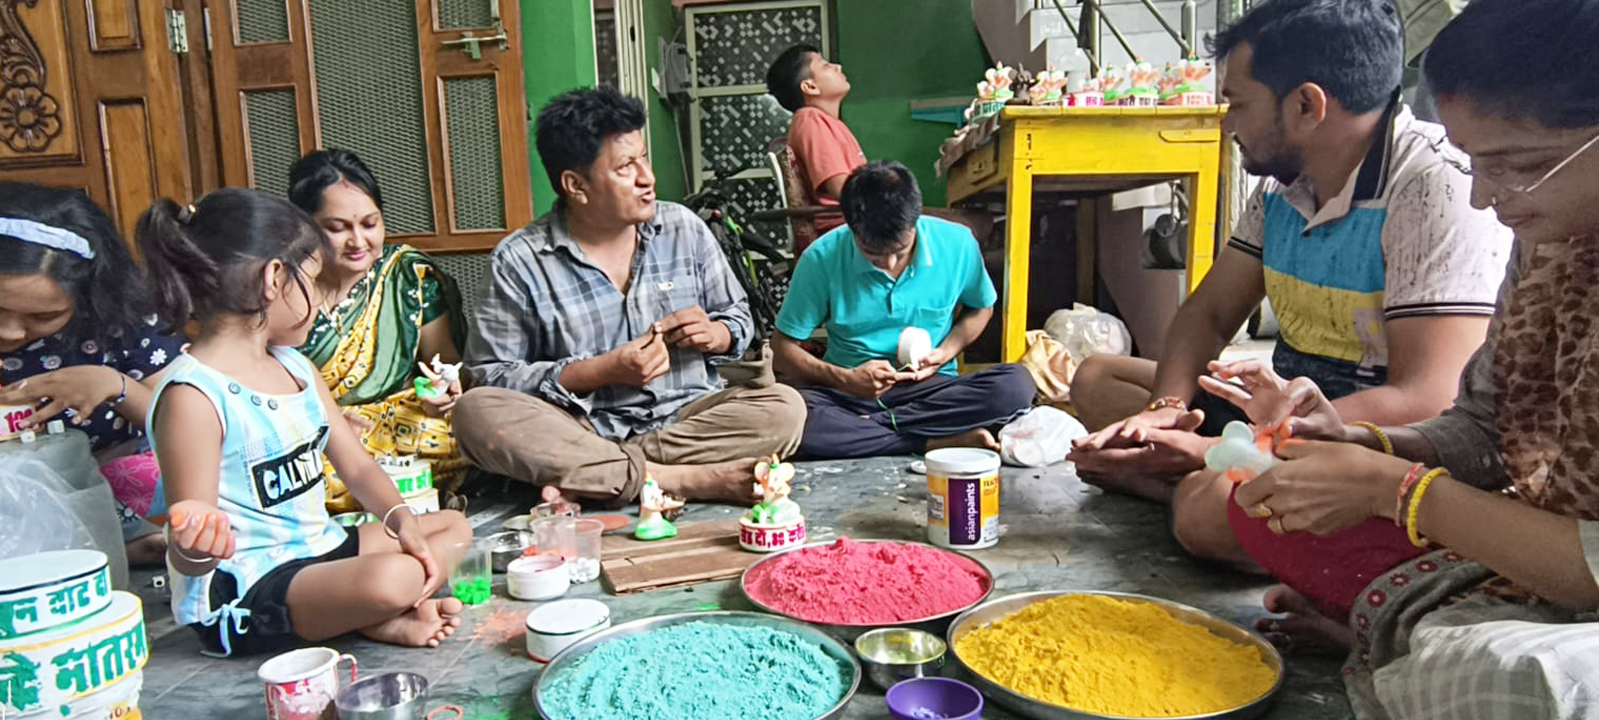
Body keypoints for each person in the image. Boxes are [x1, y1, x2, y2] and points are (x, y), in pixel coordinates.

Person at [1207, 1, 1599, 715]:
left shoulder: (1426, 183)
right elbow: (1484, 428)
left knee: (1534, 682)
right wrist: (1357, 443)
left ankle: (1401, 631)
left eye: (1519, 165)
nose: (1482, 197)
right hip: (1527, 542)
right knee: (1253, 505)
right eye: (1477, 163)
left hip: (1576, 585)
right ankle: (1401, 628)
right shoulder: (1549, 242)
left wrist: (1396, 489)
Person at [1067, 0, 1512, 566]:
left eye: (1238, 104)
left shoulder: (1436, 186)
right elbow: (1207, 314)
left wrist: (1235, 448)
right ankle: (1201, 478)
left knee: (1206, 512)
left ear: (1306, 105)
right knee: (1099, 377)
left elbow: (1428, 398)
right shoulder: (1283, 185)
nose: (1228, 125)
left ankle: (1202, 484)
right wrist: (1168, 407)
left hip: (1359, 434)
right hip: (1276, 409)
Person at [138, 188, 472, 656]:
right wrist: (196, 547)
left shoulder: (296, 367)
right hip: (248, 587)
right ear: (275, 278)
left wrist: (400, 521)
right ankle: (371, 612)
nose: (318, 299)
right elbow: (189, 546)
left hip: (319, 548)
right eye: (313, 280)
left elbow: (355, 467)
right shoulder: (193, 396)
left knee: (452, 527)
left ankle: (356, 614)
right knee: (392, 577)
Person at [452, 87, 806, 507]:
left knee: (785, 408)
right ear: (575, 185)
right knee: (475, 414)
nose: (647, 177)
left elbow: (738, 320)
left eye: (644, 157)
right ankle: (683, 480)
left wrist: (716, 334)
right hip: (583, 427)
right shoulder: (520, 260)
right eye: (625, 166)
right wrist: (600, 371)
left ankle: (603, 475)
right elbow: (490, 375)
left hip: (688, 419)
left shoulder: (683, 228)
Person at [772, 162, 1036, 458]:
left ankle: (869, 431)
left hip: (930, 390)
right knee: (787, 419)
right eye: (872, 254)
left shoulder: (958, 243)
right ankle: (932, 440)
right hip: (848, 394)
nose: (889, 264)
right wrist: (844, 379)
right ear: (850, 227)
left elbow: (982, 308)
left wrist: (945, 352)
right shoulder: (821, 258)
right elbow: (782, 348)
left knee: (1017, 385)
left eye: (901, 250)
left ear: (916, 220)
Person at [0, 182, 186, 565]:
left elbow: (186, 423)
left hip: (109, 480)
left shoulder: (122, 323)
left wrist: (115, 387)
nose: (11, 333)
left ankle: (120, 544)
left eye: (43, 317)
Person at [287, 150, 469, 512]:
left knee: (469, 434)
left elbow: (445, 369)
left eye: (369, 224)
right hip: (316, 434)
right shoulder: (285, 287)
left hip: (403, 429)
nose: (358, 241)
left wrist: (442, 392)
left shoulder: (408, 276)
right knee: (300, 471)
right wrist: (326, 422)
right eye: (337, 229)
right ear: (304, 227)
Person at [766, 43, 864, 241]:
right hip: (847, 231)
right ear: (810, 86)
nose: (838, 67)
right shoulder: (811, 121)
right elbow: (842, 189)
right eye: (826, 66)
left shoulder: (824, 122)